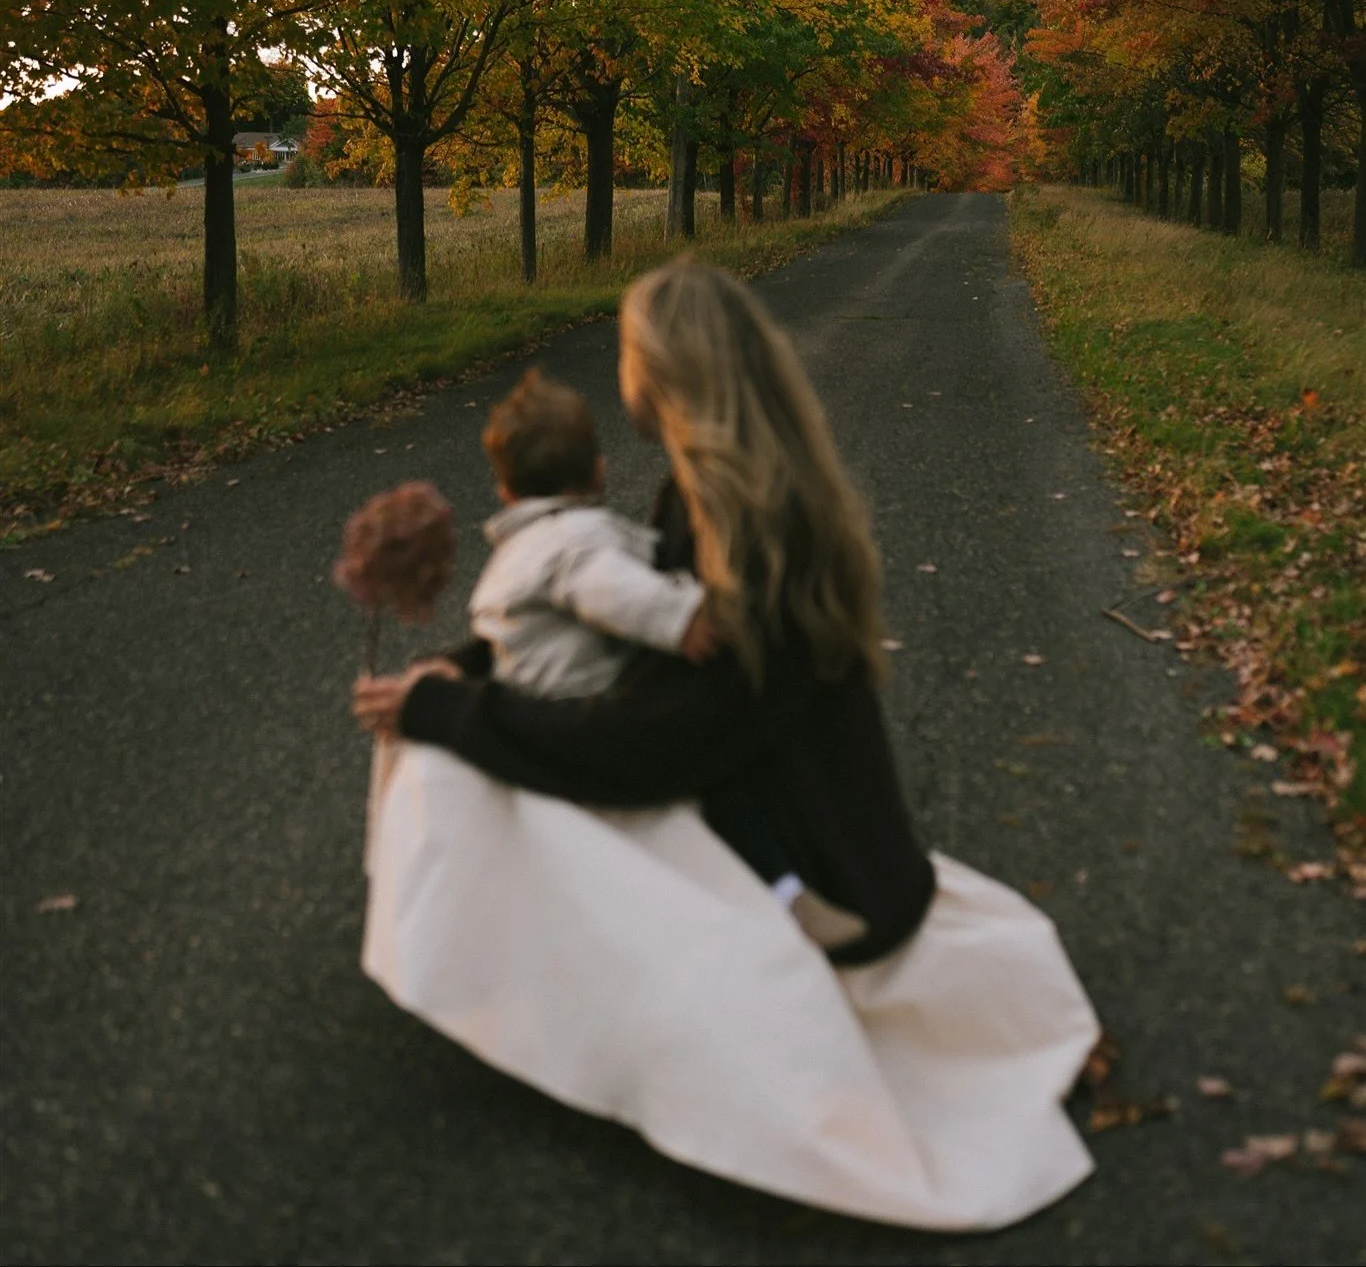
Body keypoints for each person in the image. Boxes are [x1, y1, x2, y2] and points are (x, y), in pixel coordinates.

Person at [353, 258, 1100, 1232]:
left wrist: (447, 715)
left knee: (455, 764)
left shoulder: (750, 529)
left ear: (655, 376)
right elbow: (603, 636)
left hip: (808, 860)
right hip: (778, 805)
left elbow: (659, 743)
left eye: (625, 355)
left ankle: (541, 1001)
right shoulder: (739, 495)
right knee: (455, 718)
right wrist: (461, 673)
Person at [469, 367, 714, 698]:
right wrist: (685, 618)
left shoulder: (511, 557)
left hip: (522, 701)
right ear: (599, 473)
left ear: (507, 496)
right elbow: (613, 587)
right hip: (568, 706)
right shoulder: (570, 540)